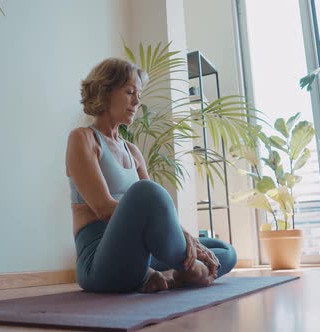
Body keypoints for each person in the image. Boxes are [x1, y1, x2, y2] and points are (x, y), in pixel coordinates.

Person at [65, 57, 237, 293]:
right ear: (105, 92)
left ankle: (171, 274)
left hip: (140, 255)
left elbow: (158, 214)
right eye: (129, 92)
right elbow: (104, 209)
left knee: (224, 251)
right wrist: (188, 245)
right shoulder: (83, 139)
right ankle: (191, 270)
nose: (137, 101)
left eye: (139, 94)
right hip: (100, 262)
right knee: (147, 192)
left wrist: (187, 238)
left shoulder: (132, 151)